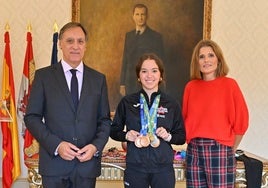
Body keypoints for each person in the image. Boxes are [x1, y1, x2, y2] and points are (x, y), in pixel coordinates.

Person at [24, 22, 111, 188]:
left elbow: (105, 121)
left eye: (80, 41)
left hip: (86, 167)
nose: (75, 46)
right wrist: (57, 145)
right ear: (60, 44)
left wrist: (95, 147)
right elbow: (32, 117)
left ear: (86, 45)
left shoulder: (98, 79)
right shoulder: (44, 77)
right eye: (70, 41)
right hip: (54, 164)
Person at [111, 53, 185, 188]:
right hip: (135, 168)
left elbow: (181, 137)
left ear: (161, 76)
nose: (149, 75)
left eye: (154, 71)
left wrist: (168, 136)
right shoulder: (127, 102)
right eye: (144, 71)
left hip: (163, 169)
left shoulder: (171, 104)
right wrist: (126, 135)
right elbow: (113, 130)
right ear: (139, 76)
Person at [182, 39, 249, 188]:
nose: (206, 60)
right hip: (194, 149)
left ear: (218, 59)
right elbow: (185, 118)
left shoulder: (230, 85)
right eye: (201, 57)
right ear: (197, 62)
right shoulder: (191, 87)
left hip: (219, 149)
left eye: (210, 55)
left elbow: (241, 121)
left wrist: (229, 149)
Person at [120, 3, 165, 96]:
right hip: (130, 82)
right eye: (137, 14)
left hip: (148, 82)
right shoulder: (129, 36)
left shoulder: (156, 37)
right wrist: (122, 83)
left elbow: (160, 63)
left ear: (147, 16)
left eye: (142, 14)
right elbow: (125, 59)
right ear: (133, 16)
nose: (140, 18)